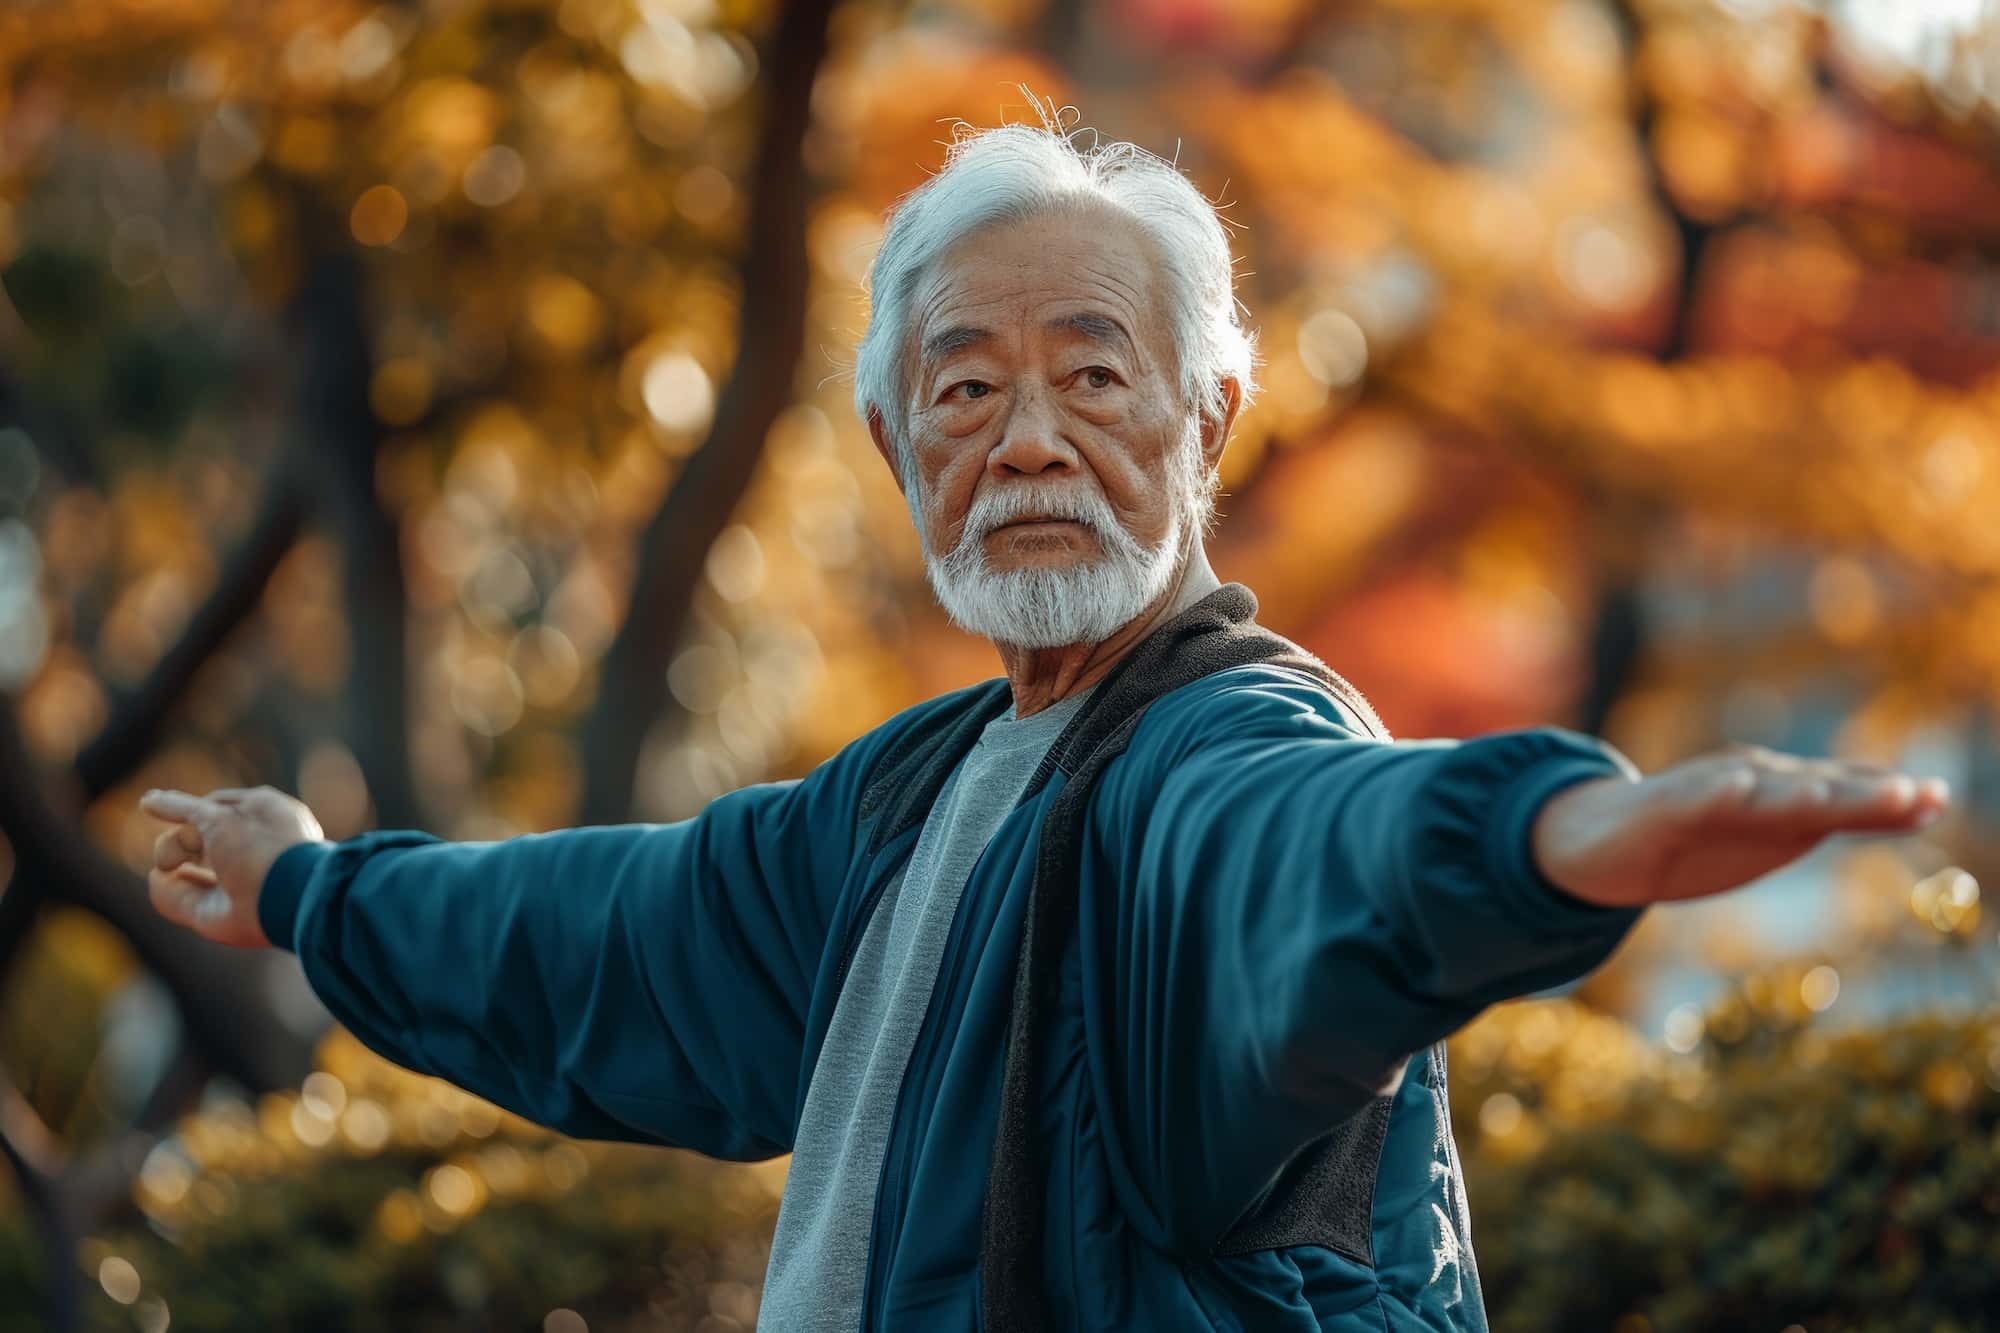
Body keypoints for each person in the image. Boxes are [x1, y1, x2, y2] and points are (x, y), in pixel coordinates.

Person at [139, 120, 1949, 1332]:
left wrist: (1542, 841)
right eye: (967, 389)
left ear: (1209, 421)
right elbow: (596, 931)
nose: (1024, 443)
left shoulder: (1217, 751)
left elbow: (1305, 854)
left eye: (1095, 378)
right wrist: (311, 890)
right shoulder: (900, 806)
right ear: (890, 446)